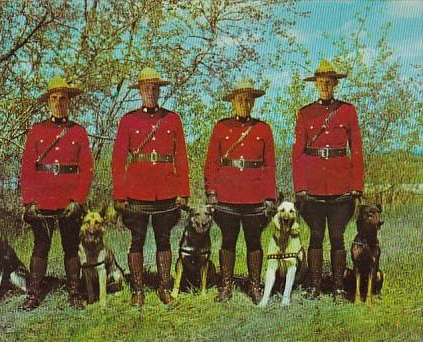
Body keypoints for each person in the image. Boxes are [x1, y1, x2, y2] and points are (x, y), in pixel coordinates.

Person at [112, 67, 190, 307]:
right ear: (140, 91)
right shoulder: (128, 120)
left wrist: (183, 191)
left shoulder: (172, 119)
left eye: (155, 88)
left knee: (164, 240)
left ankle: (164, 287)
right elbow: (117, 160)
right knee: (137, 240)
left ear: (159, 90)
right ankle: (137, 290)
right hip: (137, 192)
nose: (151, 92)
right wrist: (120, 194)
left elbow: (181, 157)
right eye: (146, 88)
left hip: (166, 190)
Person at [20, 76, 93, 310]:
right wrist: (29, 201)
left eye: (63, 98)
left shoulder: (78, 132)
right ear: (48, 103)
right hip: (42, 198)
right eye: (54, 99)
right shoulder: (37, 130)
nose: (58, 103)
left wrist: (78, 200)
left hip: (68, 199)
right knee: (41, 245)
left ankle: (74, 291)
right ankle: (34, 292)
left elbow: (86, 169)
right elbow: (27, 168)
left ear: (69, 102)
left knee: (70, 245)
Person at [292, 60, 364, 299]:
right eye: (320, 82)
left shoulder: (347, 111)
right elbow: (298, 153)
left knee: (337, 237)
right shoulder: (305, 113)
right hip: (312, 186)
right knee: (315, 235)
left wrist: (356, 185)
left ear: (335, 84)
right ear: (316, 85)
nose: (324, 86)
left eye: (328, 82)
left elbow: (357, 150)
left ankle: (338, 287)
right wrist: (300, 186)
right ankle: (314, 285)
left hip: (340, 185)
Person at [204, 79, 276, 304]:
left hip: (254, 194)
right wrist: (211, 192)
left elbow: (269, 165)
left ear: (253, 103)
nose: (244, 103)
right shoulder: (221, 127)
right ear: (232, 102)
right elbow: (211, 163)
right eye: (240, 99)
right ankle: (225, 286)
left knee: (254, 241)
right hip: (227, 194)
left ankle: (255, 286)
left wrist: (269, 196)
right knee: (228, 240)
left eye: (248, 99)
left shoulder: (263, 129)